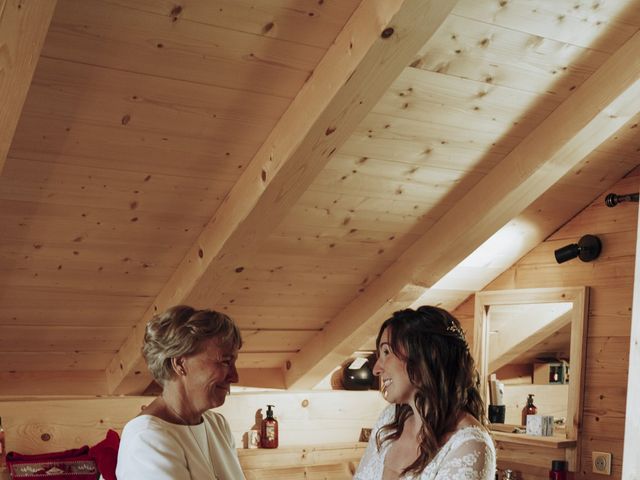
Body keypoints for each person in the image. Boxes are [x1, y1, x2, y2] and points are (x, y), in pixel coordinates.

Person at [354, 306, 496, 480]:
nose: (376, 369)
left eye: (386, 352)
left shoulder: (469, 445)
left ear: (425, 357)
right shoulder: (390, 420)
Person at [116, 305, 245, 480]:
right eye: (225, 362)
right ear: (179, 364)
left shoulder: (218, 425)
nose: (234, 377)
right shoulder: (147, 438)